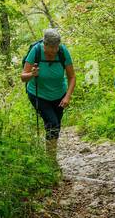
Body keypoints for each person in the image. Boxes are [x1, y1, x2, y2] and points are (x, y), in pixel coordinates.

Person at [21, 28, 75, 168]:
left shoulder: (63, 52)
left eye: (56, 47)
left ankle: (50, 157)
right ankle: (51, 162)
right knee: (52, 123)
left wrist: (68, 96)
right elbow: (23, 77)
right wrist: (32, 74)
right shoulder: (36, 51)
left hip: (59, 94)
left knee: (55, 126)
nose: (54, 51)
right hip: (38, 94)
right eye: (51, 48)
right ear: (44, 44)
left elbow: (72, 77)